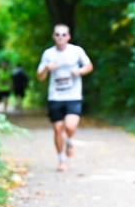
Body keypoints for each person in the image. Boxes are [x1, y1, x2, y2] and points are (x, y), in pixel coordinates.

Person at [37, 24, 93, 171]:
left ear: (68, 36)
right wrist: (46, 69)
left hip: (73, 95)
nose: (60, 37)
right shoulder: (48, 54)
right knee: (57, 129)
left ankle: (69, 140)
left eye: (63, 34)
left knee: (70, 126)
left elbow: (89, 66)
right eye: (57, 34)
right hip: (55, 97)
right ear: (53, 36)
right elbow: (40, 77)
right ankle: (61, 159)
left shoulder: (76, 51)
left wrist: (79, 71)